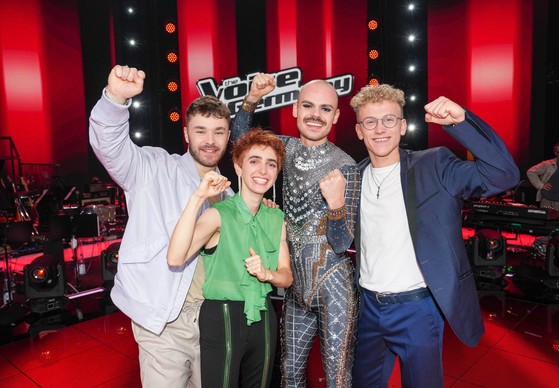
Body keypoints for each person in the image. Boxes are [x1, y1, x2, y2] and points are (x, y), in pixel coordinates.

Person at [349, 85, 520, 387]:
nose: (379, 129)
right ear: (359, 131)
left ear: (402, 126)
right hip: (368, 309)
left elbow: (504, 175)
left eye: (388, 120)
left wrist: (461, 122)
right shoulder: (353, 177)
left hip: (417, 309)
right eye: (369, 122)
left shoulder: (434, 165)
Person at [89, 64, 234, 387]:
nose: (210, 141)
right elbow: (110, 148)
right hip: (165, 318)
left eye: (219, 132)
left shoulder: (229, 192)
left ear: (228, 135)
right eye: (200, 131)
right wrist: (115, 100)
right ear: (186, 134)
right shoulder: (152, 167)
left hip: (213, 319)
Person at [232, 75, 361, 387]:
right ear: (295, 109)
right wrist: (252, 99)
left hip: (335, 289)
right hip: (294, 288)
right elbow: (240, 141)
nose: (316, 114)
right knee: (289, 374)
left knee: (337, 378)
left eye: (325, 108)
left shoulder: (346, 166)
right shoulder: (283, 149)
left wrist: (335, 205)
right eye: (308, 106)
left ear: (336, 116)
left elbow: (343, 242)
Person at [167, 129, 293, 387]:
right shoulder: (218, 215)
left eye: (271, 164)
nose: (263, 170)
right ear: (238, 167)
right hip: (221, 317)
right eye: (254, 161)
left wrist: (266, 274)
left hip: (264, 315)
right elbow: (175, 257)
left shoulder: (276, 218)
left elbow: (286, 276)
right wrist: (197, 198)